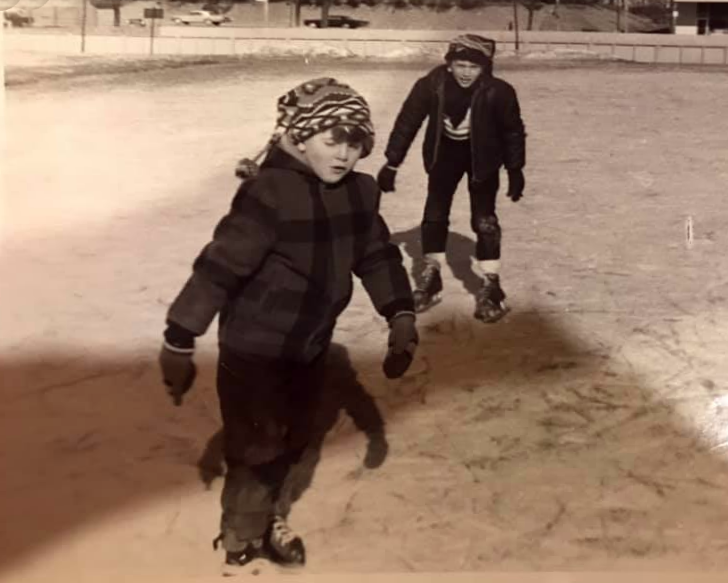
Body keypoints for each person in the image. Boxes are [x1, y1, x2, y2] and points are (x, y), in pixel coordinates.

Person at [158, 77, 419, 574]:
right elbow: (221, 266)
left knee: (295, 436)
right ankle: (241, 542)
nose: (344, 154)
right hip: (254, 346)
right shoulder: (270, 193)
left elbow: (377, 255)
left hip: (309, 344)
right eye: (331, 140)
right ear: (300, 137)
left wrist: (399, 313)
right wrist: (180, 336)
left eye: (355, 142)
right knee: (256, 445)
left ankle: (266, 515)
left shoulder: (360, 193)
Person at [375, 34, 527, 323]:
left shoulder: (499, 91)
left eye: (473, 66)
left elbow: (512, 131)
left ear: (485, 68)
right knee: (434, 214)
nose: (466, 73)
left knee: (484, 219)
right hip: (443, 154)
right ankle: (432, 275)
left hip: (482, 157)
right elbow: (408, 120)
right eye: (460, 65)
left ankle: (491, 283)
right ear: (449, 65)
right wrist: (392, 162)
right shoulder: (431, 85)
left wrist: (515, 169)